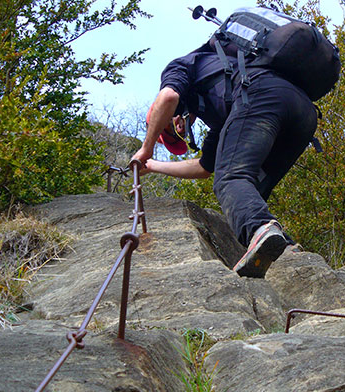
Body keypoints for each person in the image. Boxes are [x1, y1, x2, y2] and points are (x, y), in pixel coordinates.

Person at [132, 44, 318, 278]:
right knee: (248, 192)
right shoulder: (226, 103)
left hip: (263, 96)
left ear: (159, 114)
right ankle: (287, 253)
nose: (180, 128)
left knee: (230, 178)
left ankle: (261, 231)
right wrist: (153, 166)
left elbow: (168, 96)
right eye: (178, 134)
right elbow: (204, 167)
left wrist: (146, 149)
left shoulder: (182, 66)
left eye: (173, 128)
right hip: (303, 114)